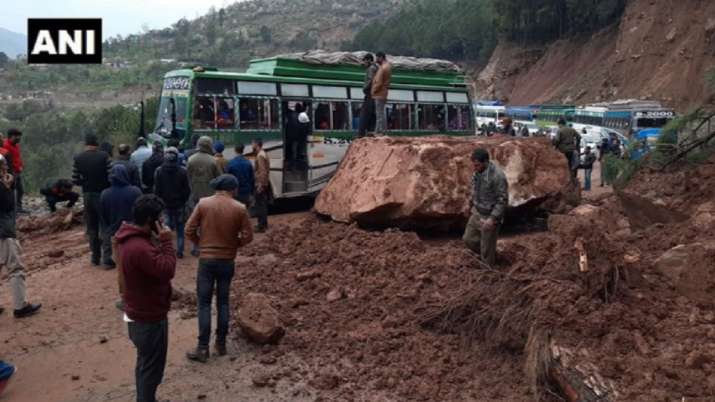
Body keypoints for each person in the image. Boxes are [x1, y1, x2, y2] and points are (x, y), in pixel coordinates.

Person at [185, 175, 253, 362]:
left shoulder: (203, 203)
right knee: (223, 302)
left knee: (204, 304)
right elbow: (248, 236)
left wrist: (202, 245)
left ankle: (202, 348)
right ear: (232, 189)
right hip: (227, 261)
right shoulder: (239, 208)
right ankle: (221, 344)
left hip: (206, 261)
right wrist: (233, 245)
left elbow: (189, 230)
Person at [115, 195, 176, 402]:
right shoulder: (139, 247)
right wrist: (167, 242)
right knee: (151, 368)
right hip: (148, 318)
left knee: (145, 364)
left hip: (140, 312)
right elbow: (166, 270)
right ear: (151, 219)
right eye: (160, 217)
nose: (163, 220)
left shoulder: (133, 240)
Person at [0, 154, 42, 318]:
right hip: (4, 231)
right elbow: (8, 205)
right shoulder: (2, 186)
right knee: (15, 268)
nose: (6, 168)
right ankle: (20, 306)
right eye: (3, 165)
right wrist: (8, 187)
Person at [462, 148, 508, 267]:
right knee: (468, 239)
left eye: (477, 165)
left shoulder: (497, 176)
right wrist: (469, 205)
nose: (474, 167)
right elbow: (474, 190)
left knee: (487, 249)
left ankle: (488, 272)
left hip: (490, 215)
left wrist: (492, 219)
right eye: (473, 164)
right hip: (477, 212)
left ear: (485, 162)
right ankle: (490, 255)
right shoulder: (477, 172)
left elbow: (502, 200)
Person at [73, 133, 112, 267]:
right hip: (102, 194)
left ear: (86, 144)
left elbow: (75, 180)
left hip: (87, 195)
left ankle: (95, 258)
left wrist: (85, 182)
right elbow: (111, 175)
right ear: (97, 143)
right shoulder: (104, 156)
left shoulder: (78, 158)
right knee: (105, 226)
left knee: (92, 228)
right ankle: (107, 259)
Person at [100, 165, 143, 269]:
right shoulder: (135, 191)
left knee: (105, 233)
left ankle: (108, 260)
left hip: (113, 229)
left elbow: (103, 214)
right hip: (132, 228)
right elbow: (142, 209)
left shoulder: (105, 194)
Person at [154, 147, 191, 258]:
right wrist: (183, 201)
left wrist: (160, 202)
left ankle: (167, 250)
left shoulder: (159, 171)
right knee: (180, 229)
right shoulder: (182, 171)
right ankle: (179, 251)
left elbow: (157, 189)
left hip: (165, 205)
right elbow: (187, 190)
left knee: (165, 229)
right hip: (179, 204)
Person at [187, 136, 221, 255]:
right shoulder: (213, 160)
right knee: (209, 223)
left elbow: (188, 178)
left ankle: (195, 248)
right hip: (210, 197)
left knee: (195, 222)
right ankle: (208, 247)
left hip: (195, 196)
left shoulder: (190, 160)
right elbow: (219, 179)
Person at [371, 52, 392, 136]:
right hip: (383, 92)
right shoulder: (387, 66)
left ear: (381, 58)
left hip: (379, 93)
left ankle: (379, 131)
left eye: (377, 58)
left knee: (379, 113)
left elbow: (379, 82)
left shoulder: (383, 68)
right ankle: (380, 131)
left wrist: (373, 91)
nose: (376, 60)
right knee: (381, 113)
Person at [4, 129, 25, 213]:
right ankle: (10, 209)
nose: (18, 138)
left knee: (20, 190)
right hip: (10, 172)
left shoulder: (16, 145)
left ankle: (18, 207)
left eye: (19, 136)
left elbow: (17, 157)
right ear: (11, 136)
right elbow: (7, 161)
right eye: (16, 136)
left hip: (17, 171)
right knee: (10, 191)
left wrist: (21, 165)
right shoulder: (5, 146)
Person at [252, 138, 271, 233]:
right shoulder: (263, 153)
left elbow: (262, 171)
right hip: (263, 183)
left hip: (260, 183)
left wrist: (260, 185)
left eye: (253, 143)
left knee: (260, 205)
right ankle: (264, 224)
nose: (252, 145)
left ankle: (261, 225)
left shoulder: (260, 155)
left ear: (256, 144)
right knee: (262, 203)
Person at [358, 53, 378, 137]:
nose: (364, 63)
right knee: (372, 117)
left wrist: (365, 88)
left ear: (369, 60)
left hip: (370, 95)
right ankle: (370, 133)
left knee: (364, 115)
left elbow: (370, 80)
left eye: (365, 61)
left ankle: (361, 136)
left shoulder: (371, 69)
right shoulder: (377, 68)